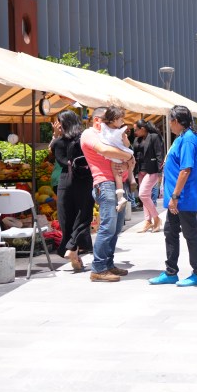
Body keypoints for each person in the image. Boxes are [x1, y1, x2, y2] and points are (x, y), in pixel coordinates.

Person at [149, 105, 197, 287]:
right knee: (170, 232)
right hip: (178, 198)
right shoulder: (183, 137)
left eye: (170, 121)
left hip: (184, 198)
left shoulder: (188, 140)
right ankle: (171, 272)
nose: (169, 125)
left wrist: (175, 196)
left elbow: (185, 170)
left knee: (190, 234)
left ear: (176, 121)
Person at [80, 106, 134, 282]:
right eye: (107, 119)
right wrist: (128, 156)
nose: (110, 123)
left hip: (117, 184)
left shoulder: (108, 134)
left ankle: (108, 264)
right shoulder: (89, 134)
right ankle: (98, 268)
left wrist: (127, 160)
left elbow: (121, 151)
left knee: (115, 228)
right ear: (97, 120)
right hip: (105, 184)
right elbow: (104, 151)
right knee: (108, 227)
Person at [52, 110, 94, 273]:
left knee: (66, 218)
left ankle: (73, 252)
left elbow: (58, 158)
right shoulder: (84, 138)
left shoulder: (58, 143)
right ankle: (72, 248)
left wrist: (56, 136)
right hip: (84, 180)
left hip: (65, 180)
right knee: (84, 216)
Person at [95, 109, 134, 212]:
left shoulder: (103, 128)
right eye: (121, 120)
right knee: (121, 172)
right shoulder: (120, 131)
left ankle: (120, 197)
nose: (122, 122)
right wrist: (124, 138)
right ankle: (130, 180)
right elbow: (127, 145)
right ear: (113, 120)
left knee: (118, 175)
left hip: (114, 153)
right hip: (123, 152)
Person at [133, 120, 164, 233]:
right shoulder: (137, 139)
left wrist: (160, 172)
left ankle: (156, 218)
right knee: (145, 196)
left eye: (136, 129)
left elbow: (159, 154)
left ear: (143, 129)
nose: (134, 132)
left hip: (152, 170)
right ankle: (147, 221)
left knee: (143, 194)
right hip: (140, 170)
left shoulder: (154, 137)